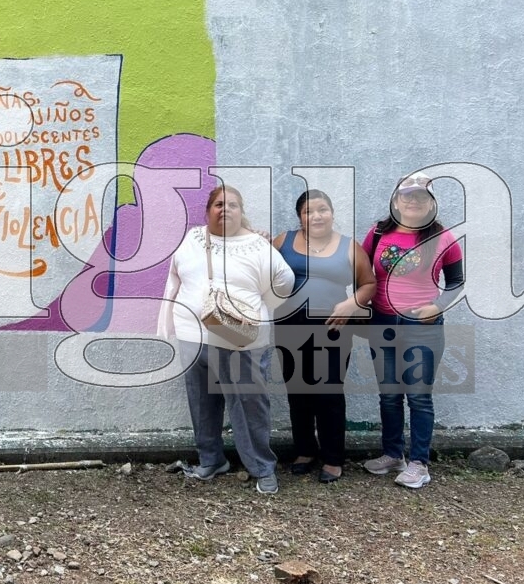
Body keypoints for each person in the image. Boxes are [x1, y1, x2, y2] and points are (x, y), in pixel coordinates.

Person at [158, 185, 295, 494]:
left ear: (241, 212)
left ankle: (262, 468)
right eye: (219, 204)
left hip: (241, 340)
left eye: (233, 204)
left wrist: (261, 308)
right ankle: (211, 460)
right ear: (208, 211)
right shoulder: (192, 239)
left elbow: (285, 282)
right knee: (201, 402)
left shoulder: (257, 245)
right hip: (194, 337)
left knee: (249, 404)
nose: (225, 209)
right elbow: (175, 276)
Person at [361, 173, 463, 489]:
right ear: (396, 200)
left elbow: (456, 283)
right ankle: (393, 454)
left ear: (431, 203)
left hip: (422, 327)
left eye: (420, 197)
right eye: (407, 196)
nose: (413, 201)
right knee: (389, 395)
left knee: (418, 397)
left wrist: (437, 307)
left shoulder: (443, 238)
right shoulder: (378, 233)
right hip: (383, 323)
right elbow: (362, 274)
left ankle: (419, 462)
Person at [272, 190, 376, 483]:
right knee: (298, 390)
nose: (316, 216)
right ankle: (305, 450)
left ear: (332, 213)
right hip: (289, 327)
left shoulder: (348, 247)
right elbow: (258, 265)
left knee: (328, 392)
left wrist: (352, 303)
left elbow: (368, 283)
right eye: (308, 211)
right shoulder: (283, 240)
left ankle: (332, 457)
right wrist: (255, 239)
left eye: (322, 209)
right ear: (300, 217)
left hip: (332, 328)